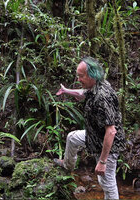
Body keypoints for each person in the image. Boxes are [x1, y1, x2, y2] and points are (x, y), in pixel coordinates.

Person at [54, 57, 126, 200]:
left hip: (108, 144)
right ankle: (67, 165)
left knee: (107, 183)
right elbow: (83, 94)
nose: (78, 79)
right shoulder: (96, 86)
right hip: (94, 135)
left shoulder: (102, 97)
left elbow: (111, 131)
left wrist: (103, 161)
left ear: (92, 75)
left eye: (81, 76)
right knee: (72, 137)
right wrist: (66, 91)